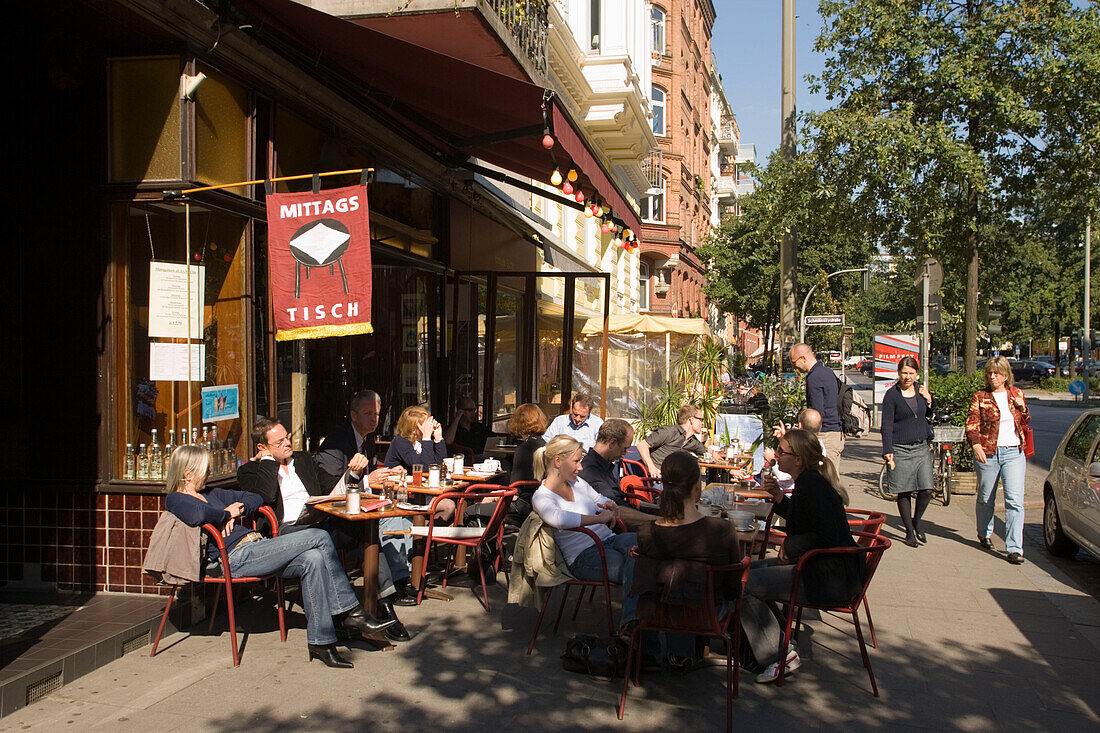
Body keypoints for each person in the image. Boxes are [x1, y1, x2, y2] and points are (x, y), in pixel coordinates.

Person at [166, 445, 395, 668]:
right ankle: (349, 611)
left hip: (256, 546)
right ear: (188, 474)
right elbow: (199, 514)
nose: (209, 473)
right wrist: (226, 513)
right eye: (205, 469)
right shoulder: (176, 499)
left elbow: (254, 498)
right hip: (234, 557)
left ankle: (322, 642)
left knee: (313, 559)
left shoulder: (212, 493)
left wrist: (239, 508)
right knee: (319, 537)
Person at [237, 418, 411, 641]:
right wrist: (270, 461)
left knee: (364, 531)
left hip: (318, 522)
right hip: (284, 532)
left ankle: (385, 606)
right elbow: (266, 495)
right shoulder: (251, 470)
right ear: (262, 448)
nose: (287, 444)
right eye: (279, 442)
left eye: (288, 437)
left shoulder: (301, 460)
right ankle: (348, 615)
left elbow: (331, 488)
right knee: (318, 545)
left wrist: (354, 474)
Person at [742, 429, 861, 683]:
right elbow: (804, 521)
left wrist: (792, 547)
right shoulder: (809, 480)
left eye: (782, 451)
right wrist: (778, 498)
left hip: (828, 578)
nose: (776, 455)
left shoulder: (812, 485)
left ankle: (777, 656)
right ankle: (781, 642)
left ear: (797, 459)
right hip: (825, 569)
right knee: (748, 571)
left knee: (744, 584)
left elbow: (824, 535)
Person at [633, 450, 742, 668]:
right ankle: (687, 654)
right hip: (708, 612)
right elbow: (733, 589)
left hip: (659, 612)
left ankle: (671, 653)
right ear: (697, 487)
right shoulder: (721, 530)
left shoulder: (646, 533)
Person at [315, 391, 418, 608]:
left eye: (377, 414)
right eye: (368, 413)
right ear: (353, 415)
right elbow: (330, 490)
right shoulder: (336, 443)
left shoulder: (366, 439)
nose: (374, 419)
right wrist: (368, 480)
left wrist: (386, 474)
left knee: (401, 516)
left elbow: (368, 476)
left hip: (362, 506)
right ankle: (391, 590)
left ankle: (401, 580)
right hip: (337, 516)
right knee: (387, 523)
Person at [531, 435, 638, 632]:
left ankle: (634, 626)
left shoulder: (577, 483)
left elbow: (598, 497)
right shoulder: (542, 496)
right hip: (583, 556)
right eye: (576, 461)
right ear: (557, 461)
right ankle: (634, 627)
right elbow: (558, 519)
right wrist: (599, 518)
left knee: (643, 547)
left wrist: (609, 504)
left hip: (607, 539)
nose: (580, 467)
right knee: (640, 565)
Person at [966, 355, 1030, 564]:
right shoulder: (980, 397)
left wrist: (1023, 407)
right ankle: (984, 533)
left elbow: (1025, 420)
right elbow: (971, 424)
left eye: (997, 374)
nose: (993, 377)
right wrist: (976, 445)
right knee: (986, 497)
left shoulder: (1016, 394)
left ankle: (1014, 548)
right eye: (990, 374)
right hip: (988, 452)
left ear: (1005, 375)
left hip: (1014, 452)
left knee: (1014, 501)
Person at [881, 357, 936, 547]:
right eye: (904, 373)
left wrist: (930, 400)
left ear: (916, 374)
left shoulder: (921, 391)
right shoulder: (892, 395)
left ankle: (917, 521)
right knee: (903, 491)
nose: (908, 377)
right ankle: (909, 532)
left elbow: (928, 415)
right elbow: (886, 425)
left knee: (927, 488)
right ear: (899, 373)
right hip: (900, 448)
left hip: (920, 446)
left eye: (911, 373)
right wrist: (887, 449)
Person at [579, 419, 657, 525]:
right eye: (624, 449)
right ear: (612, 443)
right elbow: (617, 509)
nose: (624, 453)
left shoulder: (603, 465)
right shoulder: (591, 471)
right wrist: (658, 520)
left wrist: (656, 510)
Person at [384, 405, 454, 522]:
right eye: (426, 426)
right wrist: (427, 437)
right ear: (413, 429)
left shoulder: (421, 442)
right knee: (448, 506)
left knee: (452, 505)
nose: (430, 428)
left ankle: (427, 537)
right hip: (402, 495)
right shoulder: (400, 441)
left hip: (420, 493)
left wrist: (438, 438)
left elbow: (438, 465)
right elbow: (423, 467)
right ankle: (424, 538)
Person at [789, 343, 844, 474]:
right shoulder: (827, 372)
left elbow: (816, 412)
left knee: (826, 481)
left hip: (825, 434)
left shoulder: (814, 377)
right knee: (832, 478)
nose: (793, 366)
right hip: (836, 432)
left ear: (803, 358)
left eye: (794, 362)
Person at [506, 403, 549, 524]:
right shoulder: (545, 445)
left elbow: (514, 490)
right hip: (540, 501)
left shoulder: (523, 449)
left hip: (524, 505)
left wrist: (493, 497)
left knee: (472, 511)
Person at [636, 404, 707, 478]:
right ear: (691, 420)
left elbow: (706, 452)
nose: (702, 423)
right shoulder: (668, 432)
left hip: (672, 479)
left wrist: (715, 454)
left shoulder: (692, 441)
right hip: (655, 478)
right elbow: (642, 445)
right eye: (700, 419)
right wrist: (652, 468)